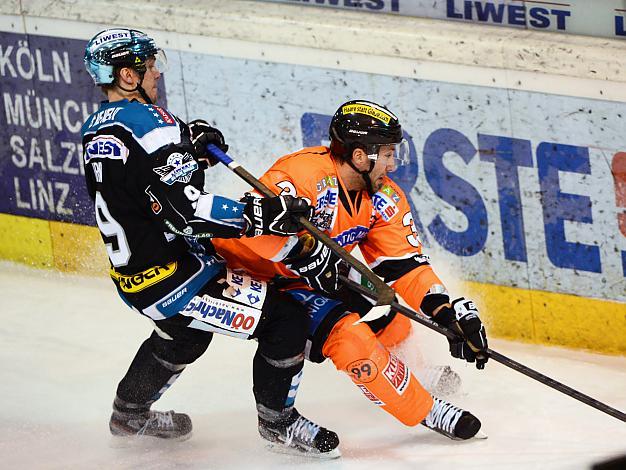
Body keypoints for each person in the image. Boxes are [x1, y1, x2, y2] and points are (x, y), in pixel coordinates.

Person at [80, 28, 340, 458]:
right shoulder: (149, 122)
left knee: (184, 337)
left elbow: (146, 185)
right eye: (148, 66)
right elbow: (185, 213)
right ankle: (279, 424)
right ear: (128, 75)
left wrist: (189, 149)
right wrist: (262, 215)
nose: (156, 73)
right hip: (176, 275)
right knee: (286, 320)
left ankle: (129, 413)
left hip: (135, 275)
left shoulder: (96, 128)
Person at [213, 100, 489, 440]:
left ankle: (412, 370)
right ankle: (425, 409)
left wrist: (446, 315)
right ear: (360, 156)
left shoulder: (382, 195)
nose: (392, 165)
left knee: (389, 313)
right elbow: (252, 229)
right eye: (387, 155)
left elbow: (405, 264)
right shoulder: (300, 176)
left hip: (314, 273)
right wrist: (301, 254)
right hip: (253, 274)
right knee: (349, 336)